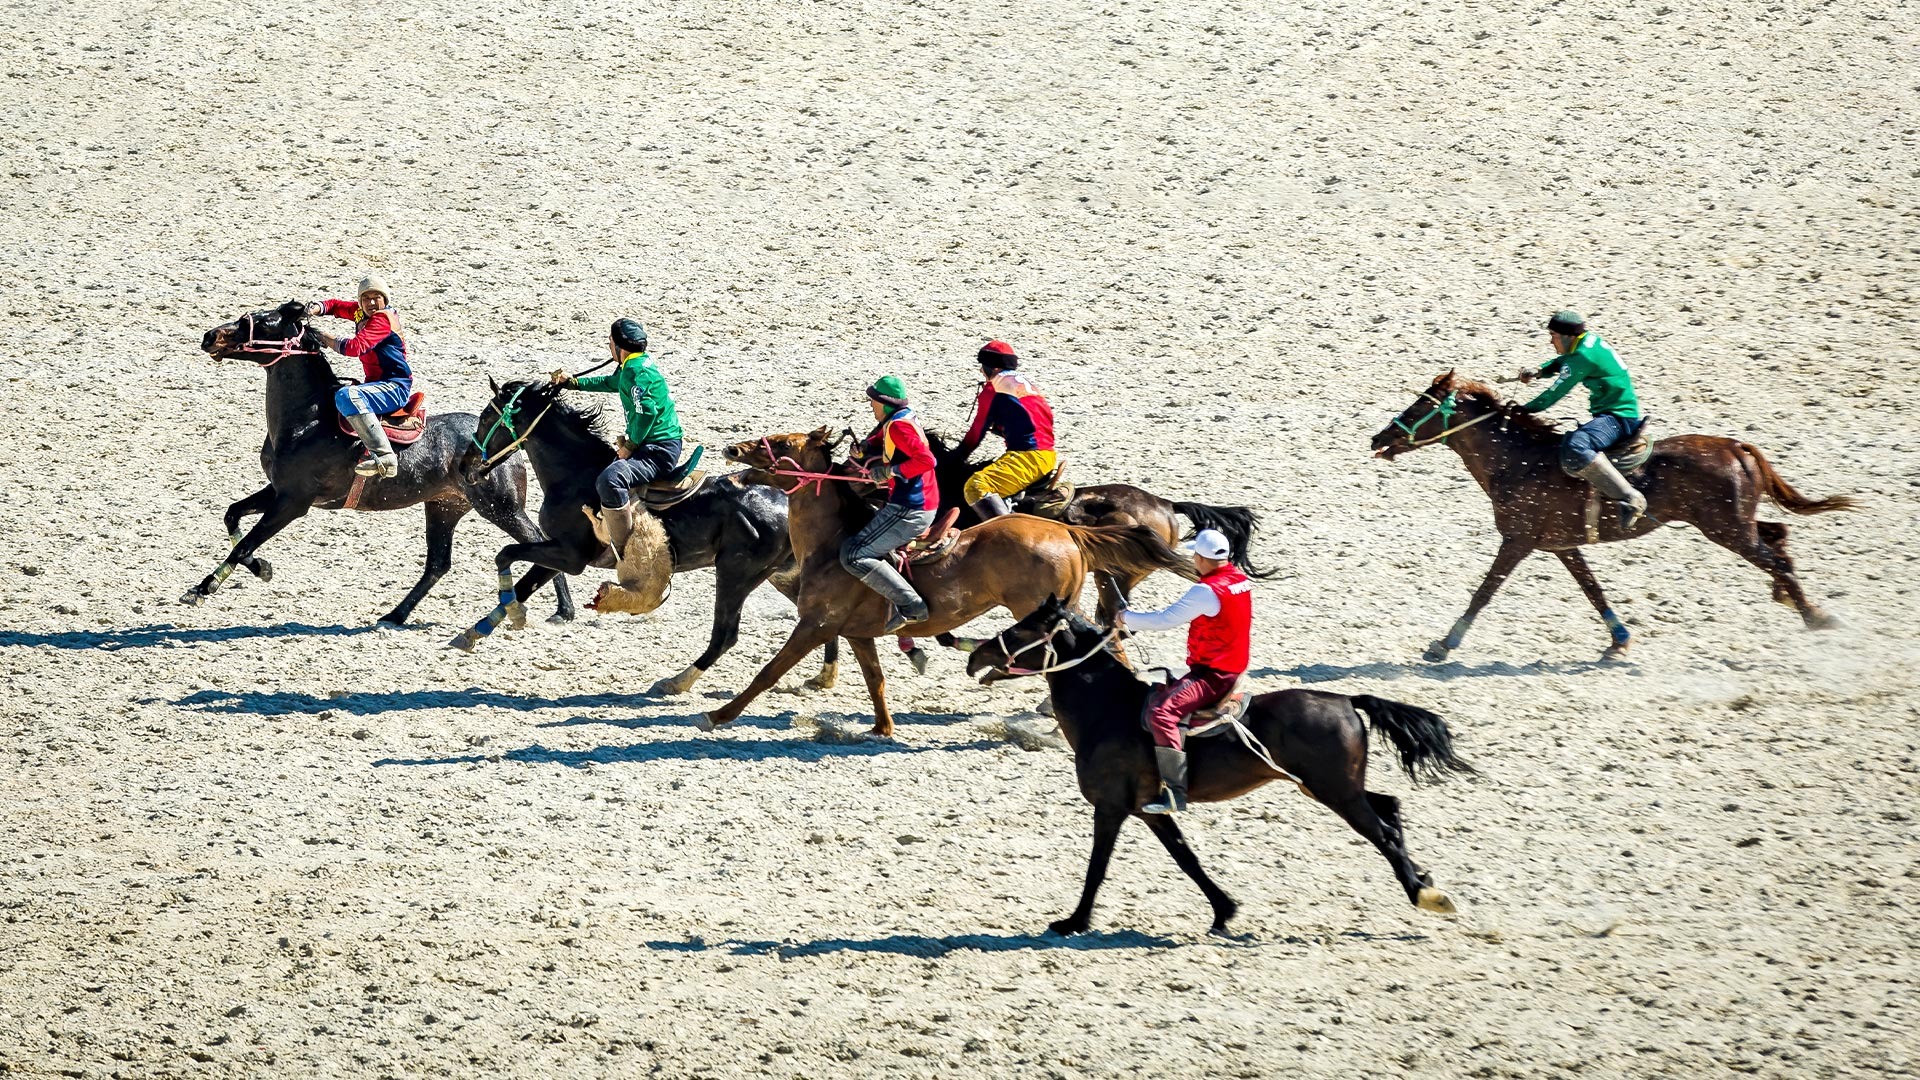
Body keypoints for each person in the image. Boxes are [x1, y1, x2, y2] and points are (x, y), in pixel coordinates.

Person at [1117, 529, 1253, 814]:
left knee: (1161, 713)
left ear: (1202, 558)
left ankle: (1175, 792)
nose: (1192, 560)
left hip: (1214, 674)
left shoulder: (1206, 591)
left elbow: (1165, 620)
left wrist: (1126, 618)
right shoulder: (1239, 579)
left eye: (1195, 555)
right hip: (1233, 664)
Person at [549, 318, 683, 558]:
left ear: (619, 346)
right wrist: (573, 383)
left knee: (610, 479)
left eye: (610, 341)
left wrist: (630, 447)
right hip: (653, 444)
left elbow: (647, 412)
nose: (608, 346)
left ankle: (625, 550)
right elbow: (610, 382)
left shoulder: (635, 371)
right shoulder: (632, 366)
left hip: (658, 450)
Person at [1517, 310, 1648, 528]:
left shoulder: (1582, 357)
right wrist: (1540, 371)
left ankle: (1630, 497)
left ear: (1567, 336)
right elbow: (1564, 362)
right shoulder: (1587, 343)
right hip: (1617, 414)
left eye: (1554, 336)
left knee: (1577, 444)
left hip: (1618, 419)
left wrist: (1524, 410)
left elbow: (1555, 393)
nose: (1551, 341)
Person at [844, 375, 940, 633]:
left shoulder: (898, 426)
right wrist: (865, 446)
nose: (871, 407)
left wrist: (891, 472)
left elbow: (927, 461)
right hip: (916, 500)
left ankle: (911, 606)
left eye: (873, 402)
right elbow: (883, 439)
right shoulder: (899, 419)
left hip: (911, 507)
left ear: (885, 404)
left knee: (853, 555)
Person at [308, 275, 412, 478]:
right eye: (366, 298)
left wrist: (321, 336)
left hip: (394, 387)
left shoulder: (382, 319)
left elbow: (354, 347)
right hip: (377, 384)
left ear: (385, 300)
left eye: (377, 297)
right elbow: (336, 306)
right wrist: (317, 308)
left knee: (346, 396)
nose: (371, 302)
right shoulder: (360, 313)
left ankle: (384, 457)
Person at [953, 340, 1056, 520]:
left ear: (994, 369)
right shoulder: (1025, 384)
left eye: (983, 366)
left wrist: (957, 456)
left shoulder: (994, 388)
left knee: (976, 486)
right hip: (1046, 455)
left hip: (1028, 457)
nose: (981, 371)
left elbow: (977, 432)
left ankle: (1008, 535)